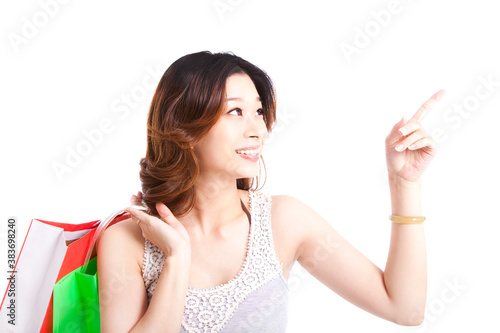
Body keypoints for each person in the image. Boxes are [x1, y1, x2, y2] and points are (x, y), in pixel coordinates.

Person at [97, 51, 446, 332]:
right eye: (236, 111)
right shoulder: (128, 240)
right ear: (183, 127)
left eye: (259, 112)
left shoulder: (284, 221)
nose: (258, 130)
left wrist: (405, 183)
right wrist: (175, 258)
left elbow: (405, 309)